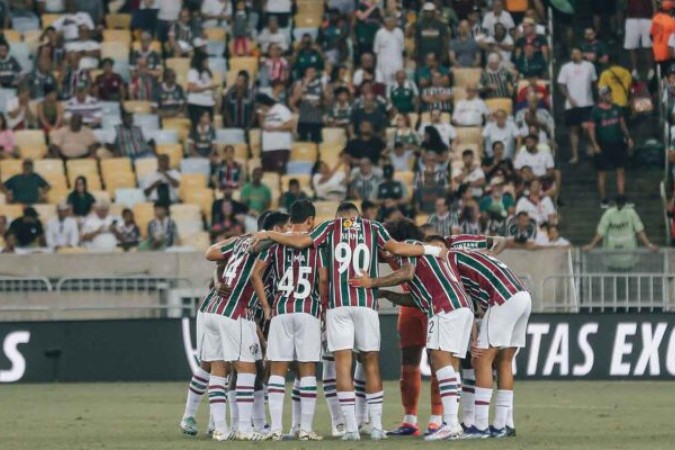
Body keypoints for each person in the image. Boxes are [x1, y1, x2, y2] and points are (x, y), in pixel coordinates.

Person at [251, 202, 450, 441]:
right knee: (371, 362)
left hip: (337, 305)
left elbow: (301, 242)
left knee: (342, 364)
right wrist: (433, 250)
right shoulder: (372, 227)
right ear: (357, 216)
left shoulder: (330, 227)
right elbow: (397, 248)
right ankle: (376, 426)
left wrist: (267, 233)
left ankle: (350, 429)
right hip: (365, 302)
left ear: (339, 216)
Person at [251, 200, 326, 441]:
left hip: (281, 309)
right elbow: (323, 279)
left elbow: (255, 275)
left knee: (277, 370)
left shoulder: (274, 244)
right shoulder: (317, 244)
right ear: (311, 220)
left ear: (290, 219)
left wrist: (265, 306)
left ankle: (274, 428)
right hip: (308, 309)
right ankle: (304, 428)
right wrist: (323, 306)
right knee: (307, 370)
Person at [451, 249, 531, 438]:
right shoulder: (472, 255)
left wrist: (473, 338)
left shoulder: (450, 261)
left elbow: (466, 304)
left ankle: (480, 426)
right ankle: (501, 425)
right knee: (504, 362)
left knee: (481, 360)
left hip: (504, 298)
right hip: (523, 296)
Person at [586, 86, 634, 208]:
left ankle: (622, 198)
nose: (609, 96)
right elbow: (591, 128)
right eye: (607, 94)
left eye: (610, 94)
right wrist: (594, 144)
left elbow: (622, 124)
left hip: (617, 143)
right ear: (602, 96)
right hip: (603, 145)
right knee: (602, 173)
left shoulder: (616, 108)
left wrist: (628, 137)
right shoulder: (596, 111)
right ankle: (604, 200)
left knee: (621, 170)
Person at [557, 47, 597, 164]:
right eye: (573, 54)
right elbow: (561, 84)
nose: (575, 55)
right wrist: (569, 98)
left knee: (587, 128)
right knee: (573, 130)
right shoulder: (566, 68)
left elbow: (594, 82)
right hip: (571, 104)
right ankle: (575, 155)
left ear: (581, 54)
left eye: (577, 53)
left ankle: (590, 145)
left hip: (587, 102)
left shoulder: (589, 66)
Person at [583, 194, 657, 253]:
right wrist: (591, 246)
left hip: (629, 254)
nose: (620, 205)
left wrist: (649, 245)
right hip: (611, 254)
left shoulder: (631, 212)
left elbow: (640, 231)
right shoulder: (609, 213)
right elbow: (601, 232)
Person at [257, 93, 294, 174]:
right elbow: (262, 127)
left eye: (260, 105)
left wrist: (275, 128)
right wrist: (262, 116)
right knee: (267, 176)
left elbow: (291, 125)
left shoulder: (281, 109)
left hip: (280, 147)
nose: (259, 108)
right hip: (266, 148)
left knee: (279, 174)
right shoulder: (262, 112)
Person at [291, 67, 326, 143]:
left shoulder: (321, 84)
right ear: (305, 73)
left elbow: (327, 101)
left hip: (316, 119)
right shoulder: (299, 84)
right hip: (304, 119)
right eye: (309, 72)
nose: (311, 74)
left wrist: (320, 103)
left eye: (313, 72)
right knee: (302, 142)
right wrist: (304, 86)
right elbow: (292, 101)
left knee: (316, 143)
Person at [624, 0, 654, 80]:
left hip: (647, 17)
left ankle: (651, 69)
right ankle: (634, 70)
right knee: (632, 46)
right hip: (631, 18)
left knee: (648, 45)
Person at [186, 52, 217, 128]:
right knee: (197, 127)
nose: (207, 62)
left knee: (209, 127)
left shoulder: (207, 73)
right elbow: (192, 88)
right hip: (196, 103)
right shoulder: (193, 72)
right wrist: (208, 88)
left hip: (208, 103)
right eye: (206, 60)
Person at [373, 14, 404, 85]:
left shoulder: (399, 32)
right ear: (385, 22)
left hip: (397, 63)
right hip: (384, 64)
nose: (392, 23)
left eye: (393, 21)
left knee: (397, 83)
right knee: (384, 84)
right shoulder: (380, 33)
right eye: (390, 21)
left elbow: (402, 48)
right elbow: (376, 50)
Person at [650, 1, 675, 75]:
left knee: (661, 75)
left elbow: (651, 35)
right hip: (668, 54)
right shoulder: (671, 21)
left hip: (657, 53)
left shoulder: (655, 19)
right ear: (670, 10)